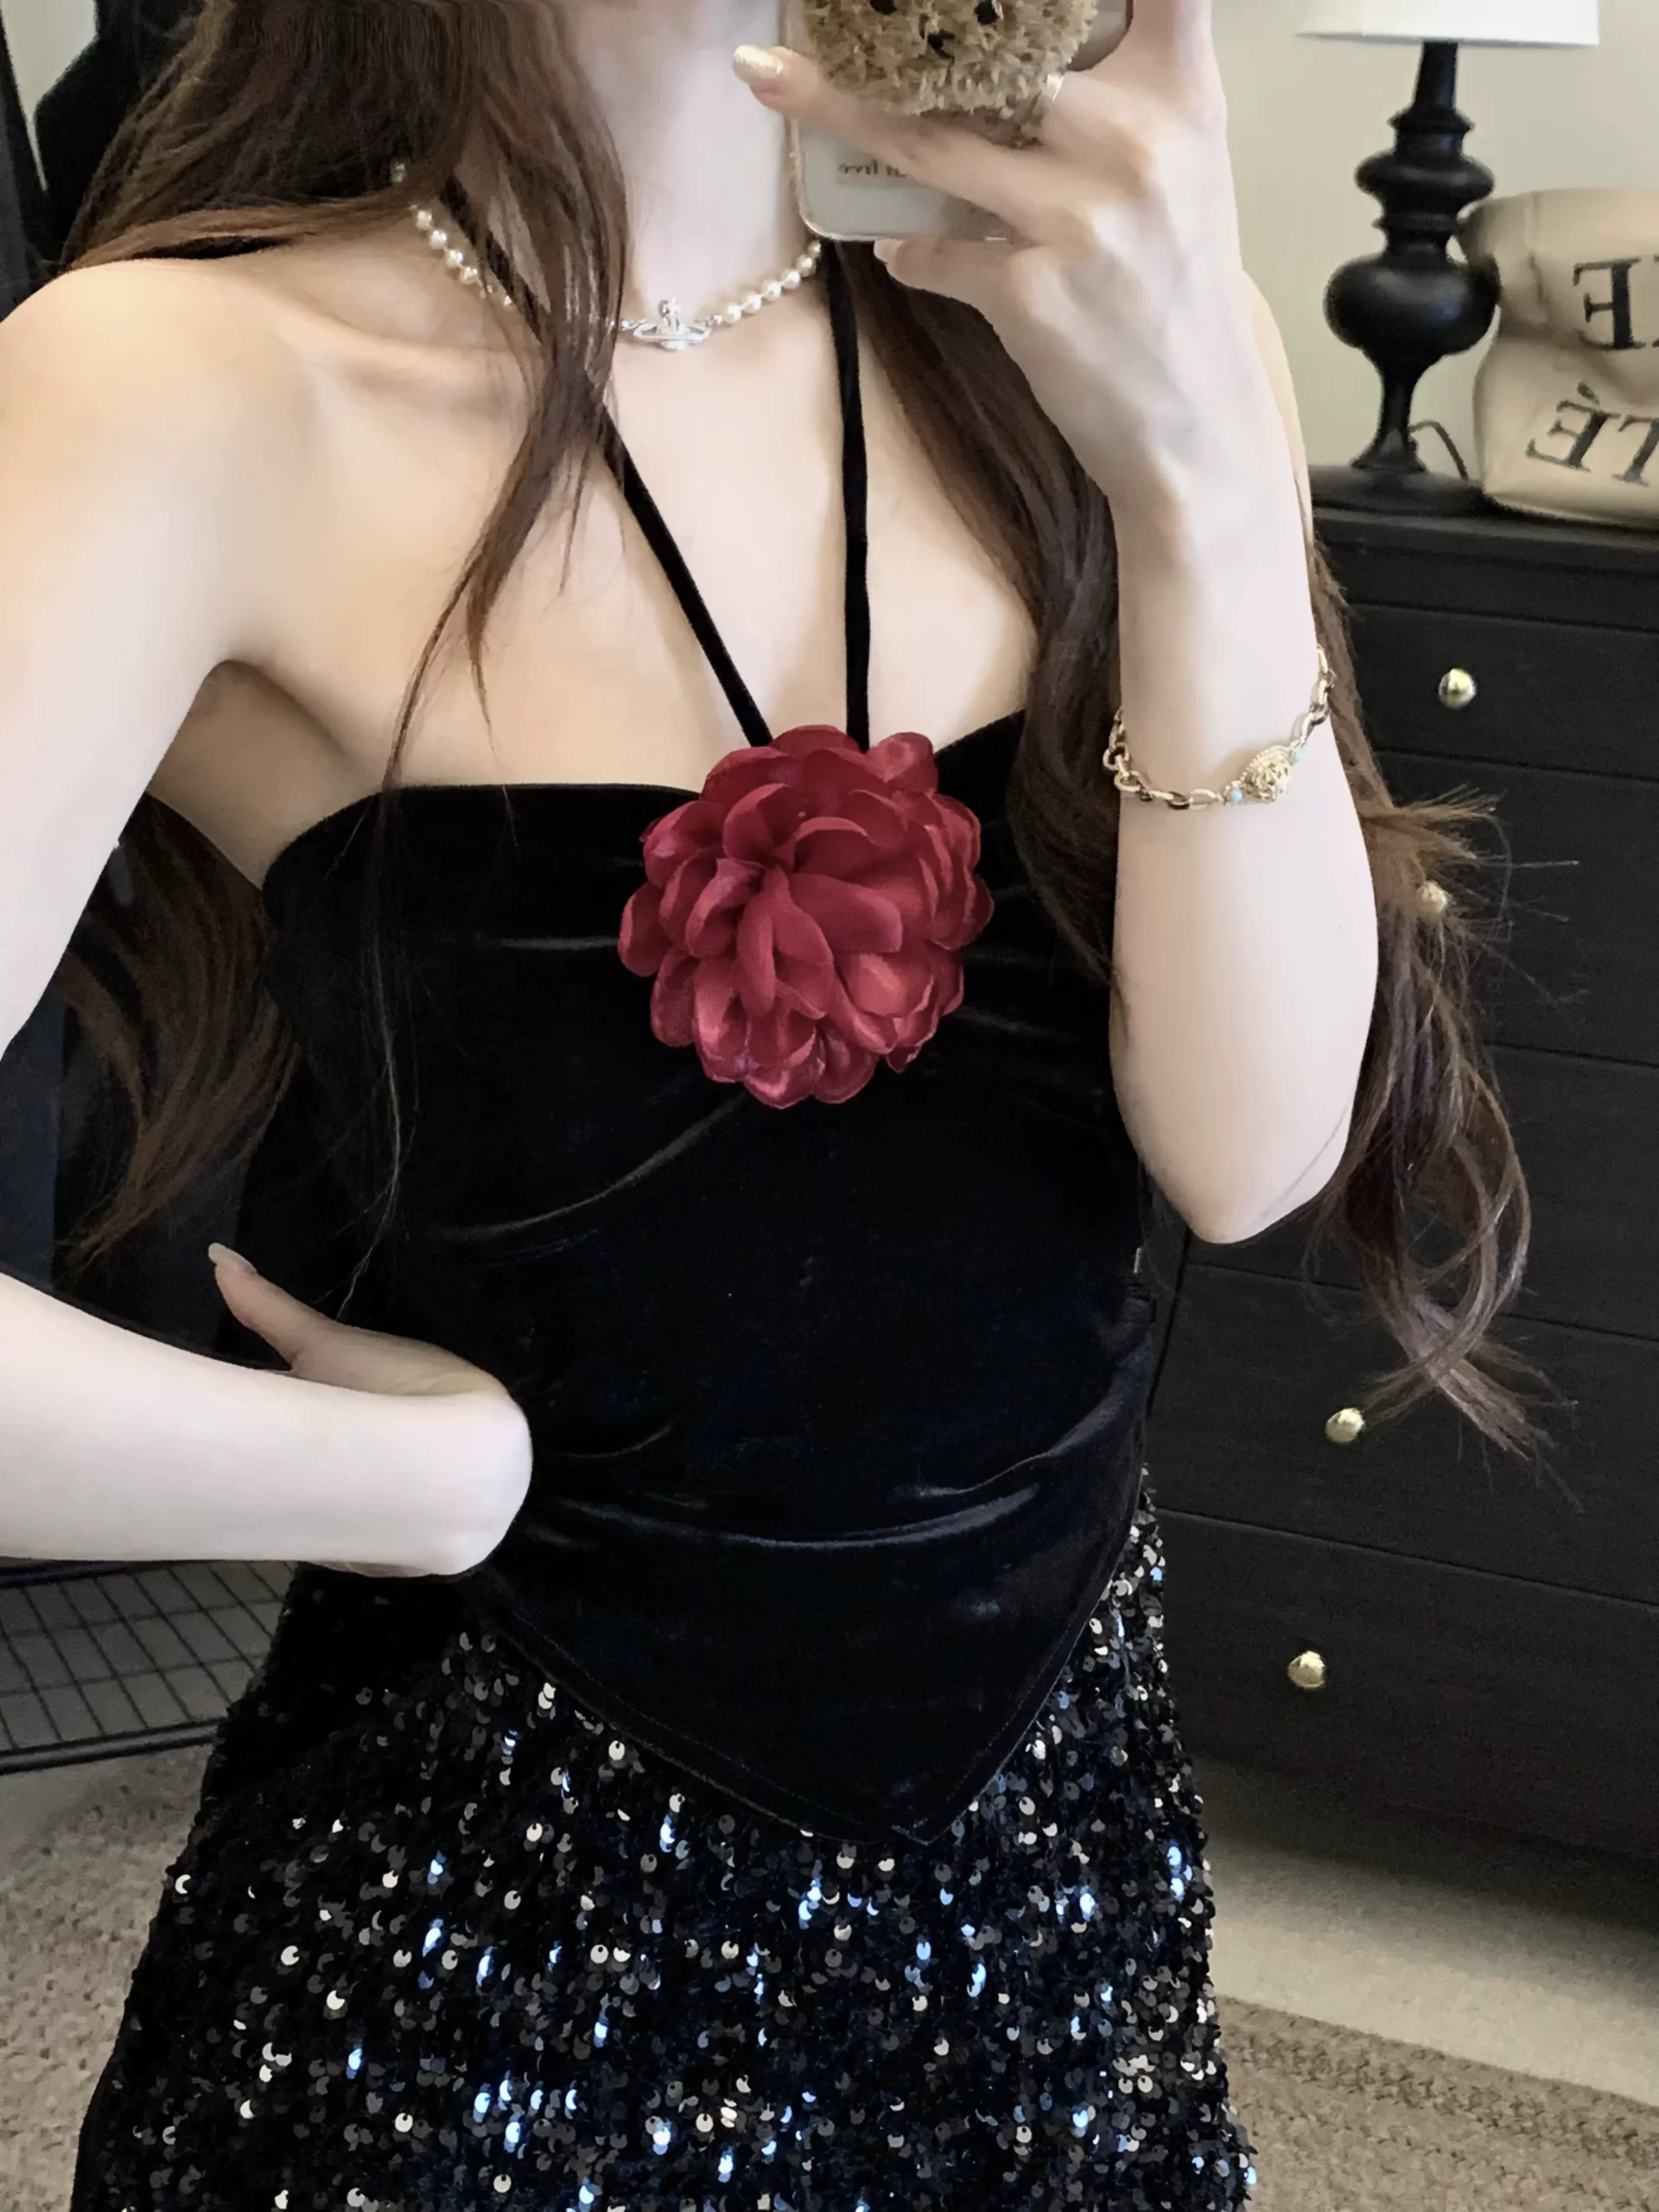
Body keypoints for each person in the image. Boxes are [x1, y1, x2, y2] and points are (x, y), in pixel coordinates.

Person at [0, 0, 1547, 2203]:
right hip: (482, 1980)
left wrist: (1201, 470)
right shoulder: (181, 393)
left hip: (1059, 1933)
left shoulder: (1069, 332)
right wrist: (387, 1475)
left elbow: (1250, 1146)